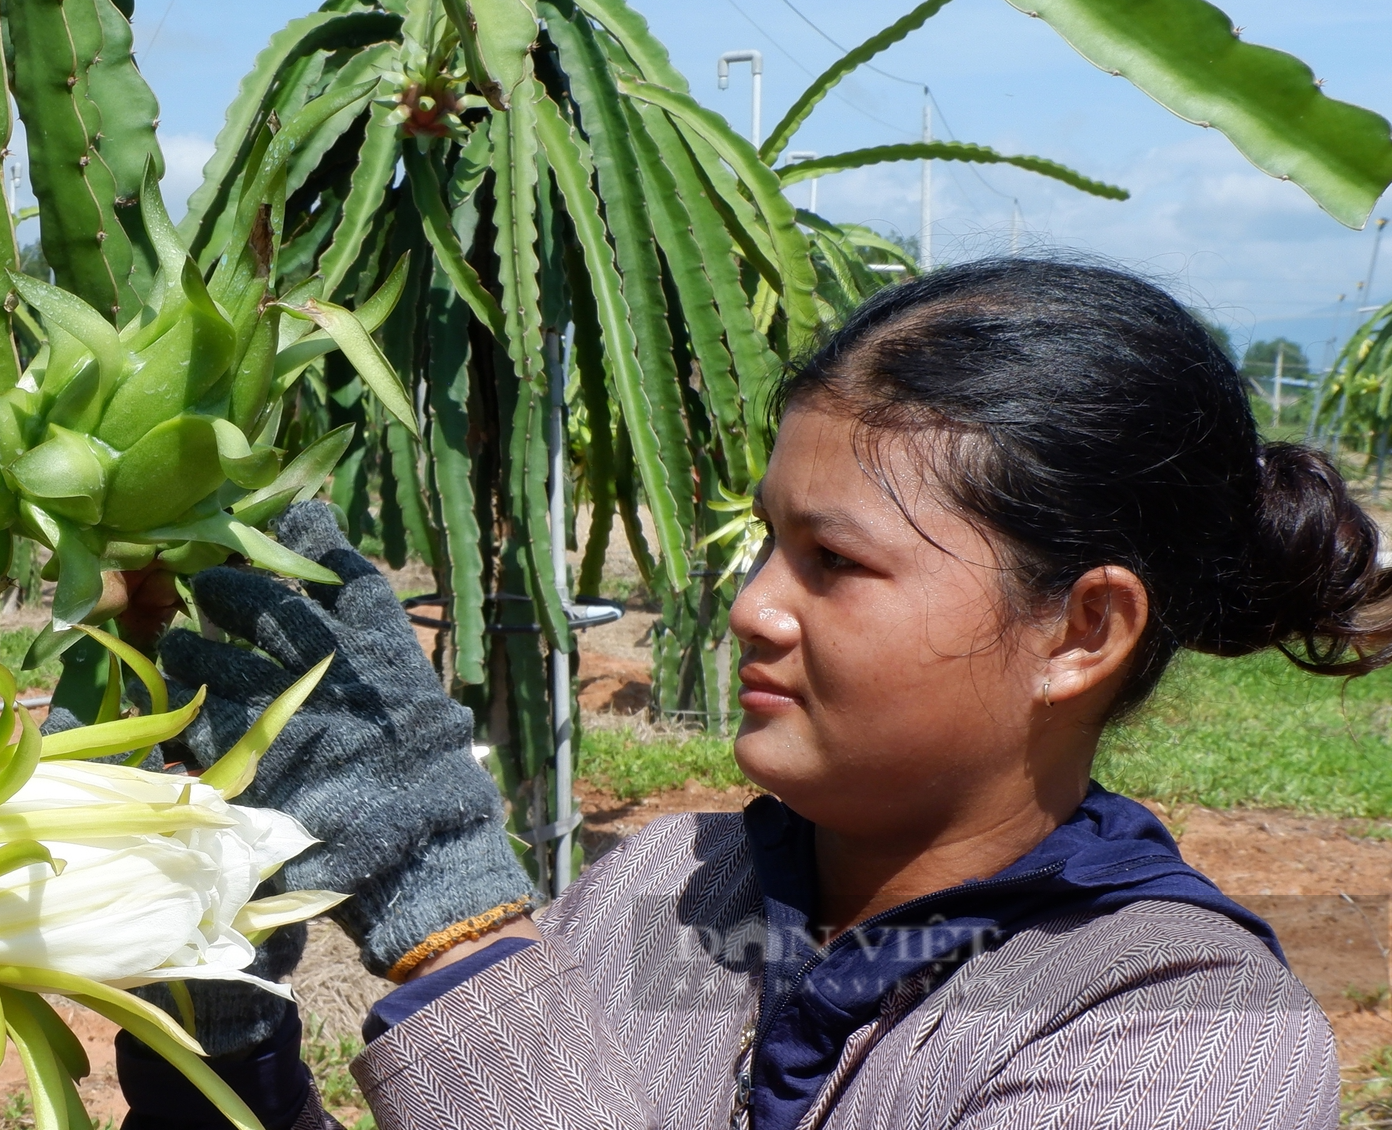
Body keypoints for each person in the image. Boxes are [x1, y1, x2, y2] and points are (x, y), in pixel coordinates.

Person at [96, 259, 1383, 1128]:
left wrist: (449, 908)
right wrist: (216, 1008)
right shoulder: (663, 883)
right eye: (768, 540)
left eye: (834, 560)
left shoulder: (1193, 1041)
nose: (757, 604)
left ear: (1080, 629)